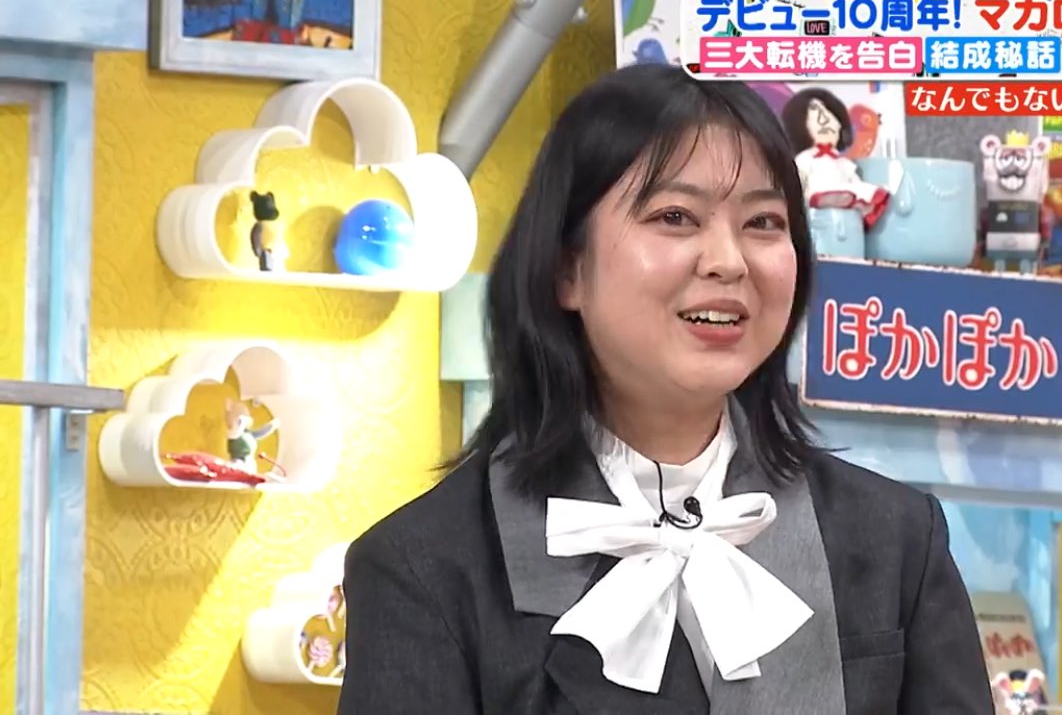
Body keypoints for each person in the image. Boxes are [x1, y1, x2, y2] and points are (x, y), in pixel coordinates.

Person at [338, 63, 992, 715]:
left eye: (764, 223)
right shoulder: (424, 569)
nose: (728, 261)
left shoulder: (896, 541)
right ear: (567, 269)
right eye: (676, 216)